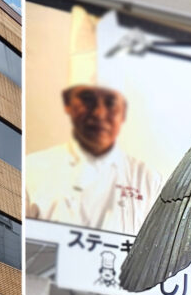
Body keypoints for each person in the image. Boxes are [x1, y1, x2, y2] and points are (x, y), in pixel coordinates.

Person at [25, 84, 163, 234]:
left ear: (123, 113)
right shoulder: (31, 169)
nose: (99, 113)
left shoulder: (149, 180)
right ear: (68, 105)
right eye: (87, 100)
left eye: (110, 103)